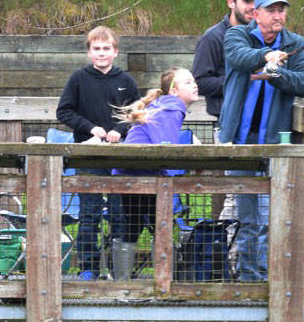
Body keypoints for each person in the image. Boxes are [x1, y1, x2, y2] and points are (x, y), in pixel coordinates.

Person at [219, 0, 304, 282]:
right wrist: (266, 55)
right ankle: (249, 277)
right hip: (240, 140)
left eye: (282, 10)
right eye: (271, 11)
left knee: (269, 216)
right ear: (256, 14)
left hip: (273, 143)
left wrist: (279, 76)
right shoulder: (237, 35)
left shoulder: (294, 42)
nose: (278, 16)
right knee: (249, 216)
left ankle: (266, 276)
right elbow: (239, 58)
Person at [55, 26, 140, 281]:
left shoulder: (126, 81)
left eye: (106, 49)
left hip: (118, 158)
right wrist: (90, 127)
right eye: (96, 49)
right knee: (89, 215)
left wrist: (118, 130)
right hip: (89, 156)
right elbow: (64, 111)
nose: (101, 53)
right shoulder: (78, 79)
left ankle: (118, 272)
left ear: (115, 52)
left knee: (118, 215)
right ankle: (88, 268)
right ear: (89, 52)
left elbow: (136, 115)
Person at [110, 67, 199, 279]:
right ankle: (164, 279)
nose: (194, 84)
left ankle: (122, 279)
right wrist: (175, 172)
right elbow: (165, 146)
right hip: (142, 175)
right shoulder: (172, 107)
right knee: (159, 224)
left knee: (138, 224)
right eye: (187, 82)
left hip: (132, 174)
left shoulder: (165, 106)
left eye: (193, 80)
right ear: (174, 91)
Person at [193, 0, 260, 120]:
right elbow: (200, 82)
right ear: (231, 3)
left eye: (257, 2)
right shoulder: (213, 37)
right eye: (247, 1)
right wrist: (242, 80)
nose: (253, 7)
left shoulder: (262, 35)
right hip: (228, 121)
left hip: (261, 121)